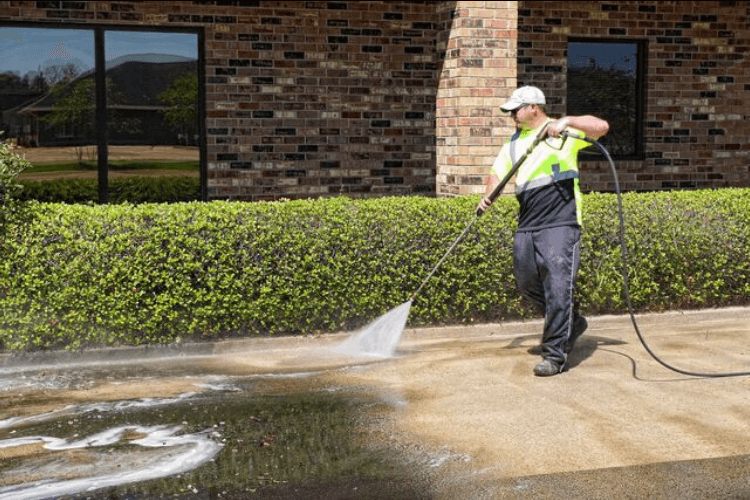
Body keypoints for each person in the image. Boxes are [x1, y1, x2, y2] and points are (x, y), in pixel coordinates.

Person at [477, 85, 609, 377]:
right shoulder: (513, 143)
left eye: (516, 109)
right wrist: (490, 193)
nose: (512, 114)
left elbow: (602, 127)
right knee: (526, 282)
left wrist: (569, 121)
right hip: (528, 222)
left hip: (560, 222)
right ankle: (571, 322)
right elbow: (497, 173)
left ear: (533, 108)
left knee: (558, 286)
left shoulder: (564, 134)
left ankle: (555, 355)